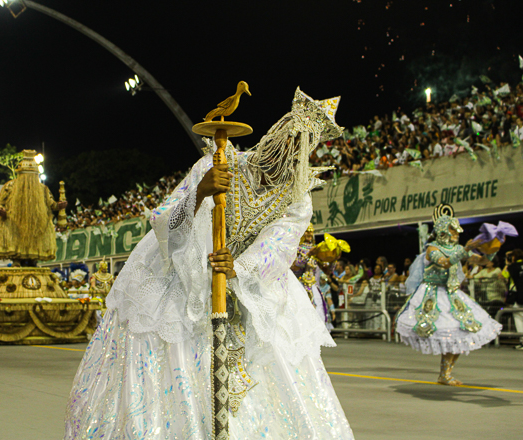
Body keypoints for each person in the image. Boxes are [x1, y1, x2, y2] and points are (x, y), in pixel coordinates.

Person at [64, 88, 354, 439]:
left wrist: (240, 267)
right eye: (286, 137)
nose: (289, 150)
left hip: (246, 285)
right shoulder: (217, 163)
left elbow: (279, 245)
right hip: (183, 277)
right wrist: (200, 192)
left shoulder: (297, 199)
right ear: (274, 133)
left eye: (301, 146)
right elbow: (162, 220)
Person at [396, 206, 502, 385]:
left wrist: (493, 248)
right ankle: (444, 374)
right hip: (433, 294)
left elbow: (480, 261)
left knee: (461, 333)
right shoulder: (432, 248)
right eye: (453, 230)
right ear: (443, 231)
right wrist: (465, 249)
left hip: (452, 294)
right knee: (447, 332)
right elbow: (444, 262)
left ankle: (445, 373)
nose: (456, 234)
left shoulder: (458, 248)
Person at [0, 149, 67, 266]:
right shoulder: (10, 186)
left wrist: (59, 205)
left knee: (34, 244)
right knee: (16, 242)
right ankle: (16, 260)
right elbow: (0, 203)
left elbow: (51, 204)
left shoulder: (42, 189)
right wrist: (1, 210)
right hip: (14, 225)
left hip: (36, 225)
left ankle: (32, 260)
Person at [503, 249, 523, 350]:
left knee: (519, 317)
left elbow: (503, 275)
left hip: (519, 296)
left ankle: (522, 341)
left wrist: (507, 263)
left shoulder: (512, 267)